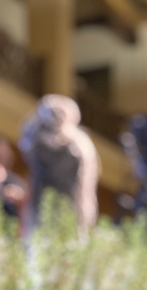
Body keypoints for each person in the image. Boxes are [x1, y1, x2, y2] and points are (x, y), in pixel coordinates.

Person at [18, 94, 100, 233]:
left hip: (71, 204)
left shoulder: (79, 144)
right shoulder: (38, 141)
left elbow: (86, 181)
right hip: (41, 205)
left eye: (59, 113)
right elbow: (27, 143)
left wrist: (86, 213)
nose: (55, 118)